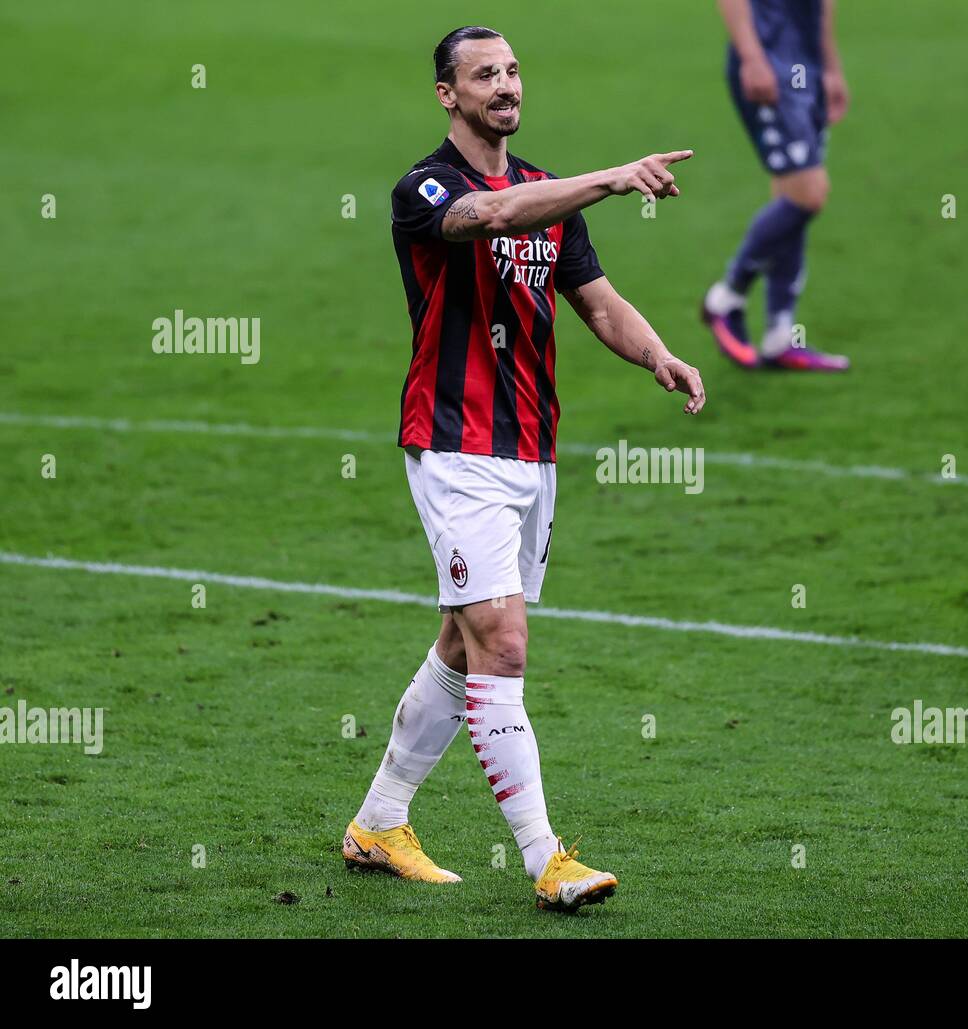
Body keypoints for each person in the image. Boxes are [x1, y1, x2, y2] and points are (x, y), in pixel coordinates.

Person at [342, 25, 706, 912]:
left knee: (464, 644)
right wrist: (616, 175)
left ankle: (377, 824)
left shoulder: (549, 195)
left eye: (511, 71)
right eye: (483, 74)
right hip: (455, 445)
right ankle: (549, 860)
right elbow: (492, 218)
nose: (504, 85)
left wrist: (655, 352)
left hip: (530, 452)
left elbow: (595, 299)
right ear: (447, 93)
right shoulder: (424, 189)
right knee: (503, 640)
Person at [703, 0, 851, 371]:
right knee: (808, 194)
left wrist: (830, 66)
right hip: (768, 62)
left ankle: (779, 336)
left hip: (806, 64)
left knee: (791, 195)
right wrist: (751, 58)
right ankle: (726, 297)